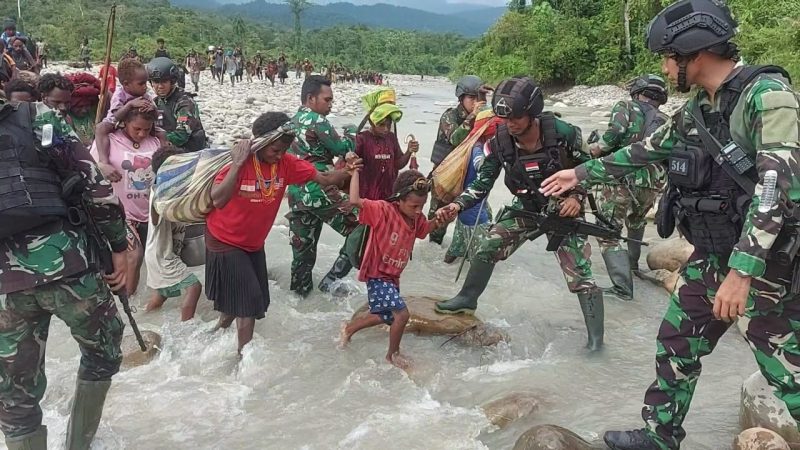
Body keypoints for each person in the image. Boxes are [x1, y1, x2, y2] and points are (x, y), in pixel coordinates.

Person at [539, 1, 800, 448]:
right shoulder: (700, 106)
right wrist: (580, 174)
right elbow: (648, 149)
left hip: (763, 265)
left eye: (667, 57)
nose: (663, 67)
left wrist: (741, 273)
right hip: (713, 255)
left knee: (786, 370)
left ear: (693, 54)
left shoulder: (767, 97)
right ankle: (659, 436)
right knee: (678, 342)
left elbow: (776, 189)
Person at [435, 76, 605, 353]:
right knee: (488, 243)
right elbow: (481, 184)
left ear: (532, 113)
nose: (510, 123)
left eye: (515, 117)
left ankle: (596, 342)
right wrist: (456, 206)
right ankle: (467, 298)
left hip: (563, 209)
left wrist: (576, 196)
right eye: (504, 118)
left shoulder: (563, 134)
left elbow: (594, 169)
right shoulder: (500, 140)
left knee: (581, 275)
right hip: (526, 205)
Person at [0, 88, 127, 450]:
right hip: (69, 269)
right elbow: (95, 187)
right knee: (103, 353)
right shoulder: (37, 115)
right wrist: (118, 246)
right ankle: (78, 445)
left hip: (5, 291)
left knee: (14, 395)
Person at [206, 112, 356, 354]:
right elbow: (218, 199)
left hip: (252, 243)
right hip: (225, 240)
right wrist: (237, 164)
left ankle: (212, 335)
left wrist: (349, 171)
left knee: (239, 302)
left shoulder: (286, 163)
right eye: (275, 149)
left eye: (284, 149)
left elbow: (325, 178)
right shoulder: (240, 163)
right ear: (261, 142)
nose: (279, 155)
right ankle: (243, 361)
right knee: (249, 302)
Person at [340, 168, 446, 368]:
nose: (418, 211)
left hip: (392, 276)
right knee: (402, 314)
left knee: (386, 315)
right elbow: (354, 201)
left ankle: (349, 328)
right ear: (399, 199)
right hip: (376, 273)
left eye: (422, 206)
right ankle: (393, 355)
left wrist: (441, 220)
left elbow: (425, 231)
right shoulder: (382, 210)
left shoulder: (416, 219)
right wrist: (354, 172)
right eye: (414, 205)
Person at [588, 75, 669, 300]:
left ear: (636, 91)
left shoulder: (626, 106)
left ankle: (622, 287)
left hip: (621, 178)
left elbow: (614, 135)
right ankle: (632, 267)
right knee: (637, 221)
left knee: (607, 233)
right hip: (652, 183)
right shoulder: (666, 118)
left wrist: (594, 149)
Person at [287, 75, 359, 297]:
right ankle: (331, 281)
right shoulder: (318, 121)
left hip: (297, 194)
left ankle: (299, 298)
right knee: (362, 227)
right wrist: (351, 135)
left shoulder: (289, 123)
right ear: (311, 98)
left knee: (302, 254)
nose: (330, 104)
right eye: (327, 100)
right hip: (320, 190)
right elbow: (341, 148)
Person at [91, 107, 160, 296]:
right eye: (137, 128)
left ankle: (135, 302)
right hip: (122, 213)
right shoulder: (108, 142)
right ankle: (128, 303)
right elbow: (89, 169)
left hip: (149, 212)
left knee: (152, 259)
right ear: (125, 123)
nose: (141, 134)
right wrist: (100, 166)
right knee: (134, 256)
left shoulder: (155, 142)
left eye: (146, 129)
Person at [427, 75, 488, 245]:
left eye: (478, 97)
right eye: (471, 97)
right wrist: (473, 116)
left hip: (469, 177)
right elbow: (455, 138)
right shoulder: (449, 116)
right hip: (445, 178)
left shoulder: (482, 118)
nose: (475, 102)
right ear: (461, 99)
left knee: (480, 218)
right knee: (438, 222)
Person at [144, 146, 202, 320]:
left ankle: (144, 319)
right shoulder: (160, 194)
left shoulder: (174, 193)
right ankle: (186, 328)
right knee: (194, 287)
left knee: (161, 296)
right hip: (162, 257)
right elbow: (155, 218)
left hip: (160, 254)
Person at [444, 107, 500, 264]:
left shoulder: (470, 145)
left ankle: (442, 275)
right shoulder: (479, 151)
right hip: (474, 212)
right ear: (490, 132)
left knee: (456, 250)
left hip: (465, 207)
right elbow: (481, 167)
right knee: (481, 257)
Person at [96, 57, 156, 182]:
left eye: (146, 82)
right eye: (141, 84)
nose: (145, 87)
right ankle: (103, 160)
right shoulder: (119, 94)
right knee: (101, 128)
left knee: (161, 133)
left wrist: (152, 108)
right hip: (116, 121)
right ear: (126, 84)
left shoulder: (145, 95)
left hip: (140, 121)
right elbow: (116, 115)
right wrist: (130, 105)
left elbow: (155, 111)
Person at [354, 101, 415, 200]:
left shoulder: (391, 138)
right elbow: (352, 165)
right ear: (372, 123)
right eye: (381, 125)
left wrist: (409, 151)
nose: (386, 129)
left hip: (389, 194)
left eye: (388, 124)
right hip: (367, 196)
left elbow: (398, 165)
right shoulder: (362, 139)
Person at [147, 57, 207, 152]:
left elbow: (181, 135)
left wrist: (155, 140)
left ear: (172, 82)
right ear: (151, 83)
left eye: (164, 82)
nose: (160, 86)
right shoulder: (156, 102)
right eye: (156, 82)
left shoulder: (184, 102)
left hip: (189, 152)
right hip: (167, 148)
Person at [65, 72, 102, 146]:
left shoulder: (94, 112)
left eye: (87, 106)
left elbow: (106, 94)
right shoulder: (66, 119)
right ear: (71, 105)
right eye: (79, 107)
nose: (84, 110)